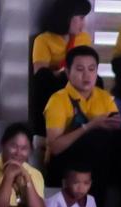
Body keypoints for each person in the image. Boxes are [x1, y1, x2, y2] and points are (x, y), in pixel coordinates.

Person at [44, 46, 121, 207]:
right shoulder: (58, 100)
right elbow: (55, 147)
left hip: (99, 157)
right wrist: (89, 126)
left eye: (92, 69)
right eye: (80, 69)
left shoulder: (103, 96)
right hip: (64, 162)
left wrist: (115, 124)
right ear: (67, 72)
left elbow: (115, 130)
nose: (87, 75)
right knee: (96, 137)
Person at [31, 0, 93, 135]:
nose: (84, 24)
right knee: (43, 78)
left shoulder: (84, 39)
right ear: (67, 17)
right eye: (81, 18)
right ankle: (43, 132)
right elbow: (40, 72)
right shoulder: (43, 40)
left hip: (78, 83)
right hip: (56, 83)